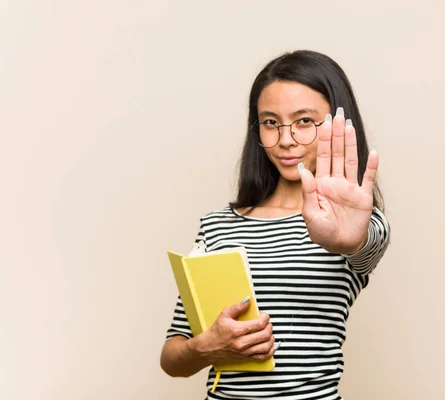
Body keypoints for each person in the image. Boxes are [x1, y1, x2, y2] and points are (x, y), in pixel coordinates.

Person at [159, 49, 391, 400]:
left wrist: (347, 239)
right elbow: (172, 357)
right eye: (270, 122)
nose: (285, 140)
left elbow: (361, 244)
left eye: (304, 121)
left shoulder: (353, 222)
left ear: (337, 127)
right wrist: (207, 348)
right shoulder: (217, 227)